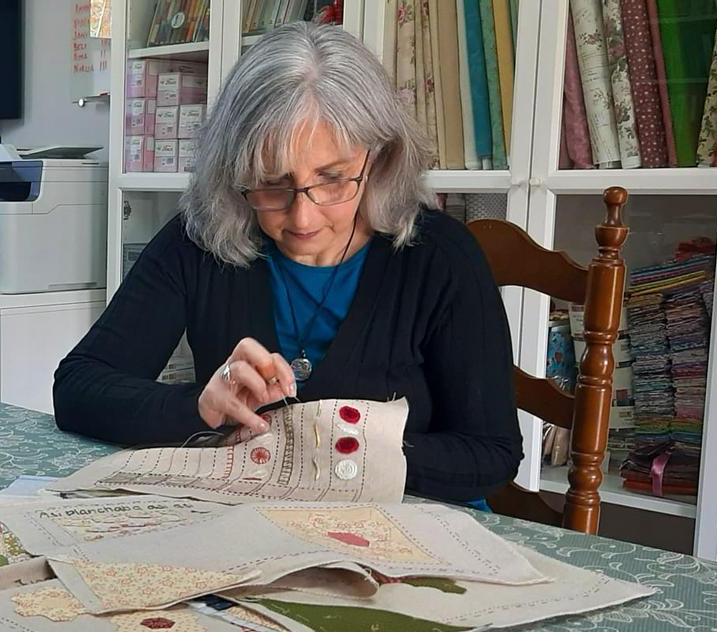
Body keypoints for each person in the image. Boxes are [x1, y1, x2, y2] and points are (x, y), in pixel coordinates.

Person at [54, 22, 522, 505]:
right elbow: (78, 388)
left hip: (408, 522)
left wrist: (348, 447)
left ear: (379, 160)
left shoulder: (439, 256)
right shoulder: (202, 238)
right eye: (270, 182)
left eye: (333, 178)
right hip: (249, 520)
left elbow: (491, 454)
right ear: (232, 171)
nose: (302, 215)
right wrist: (199, 407)